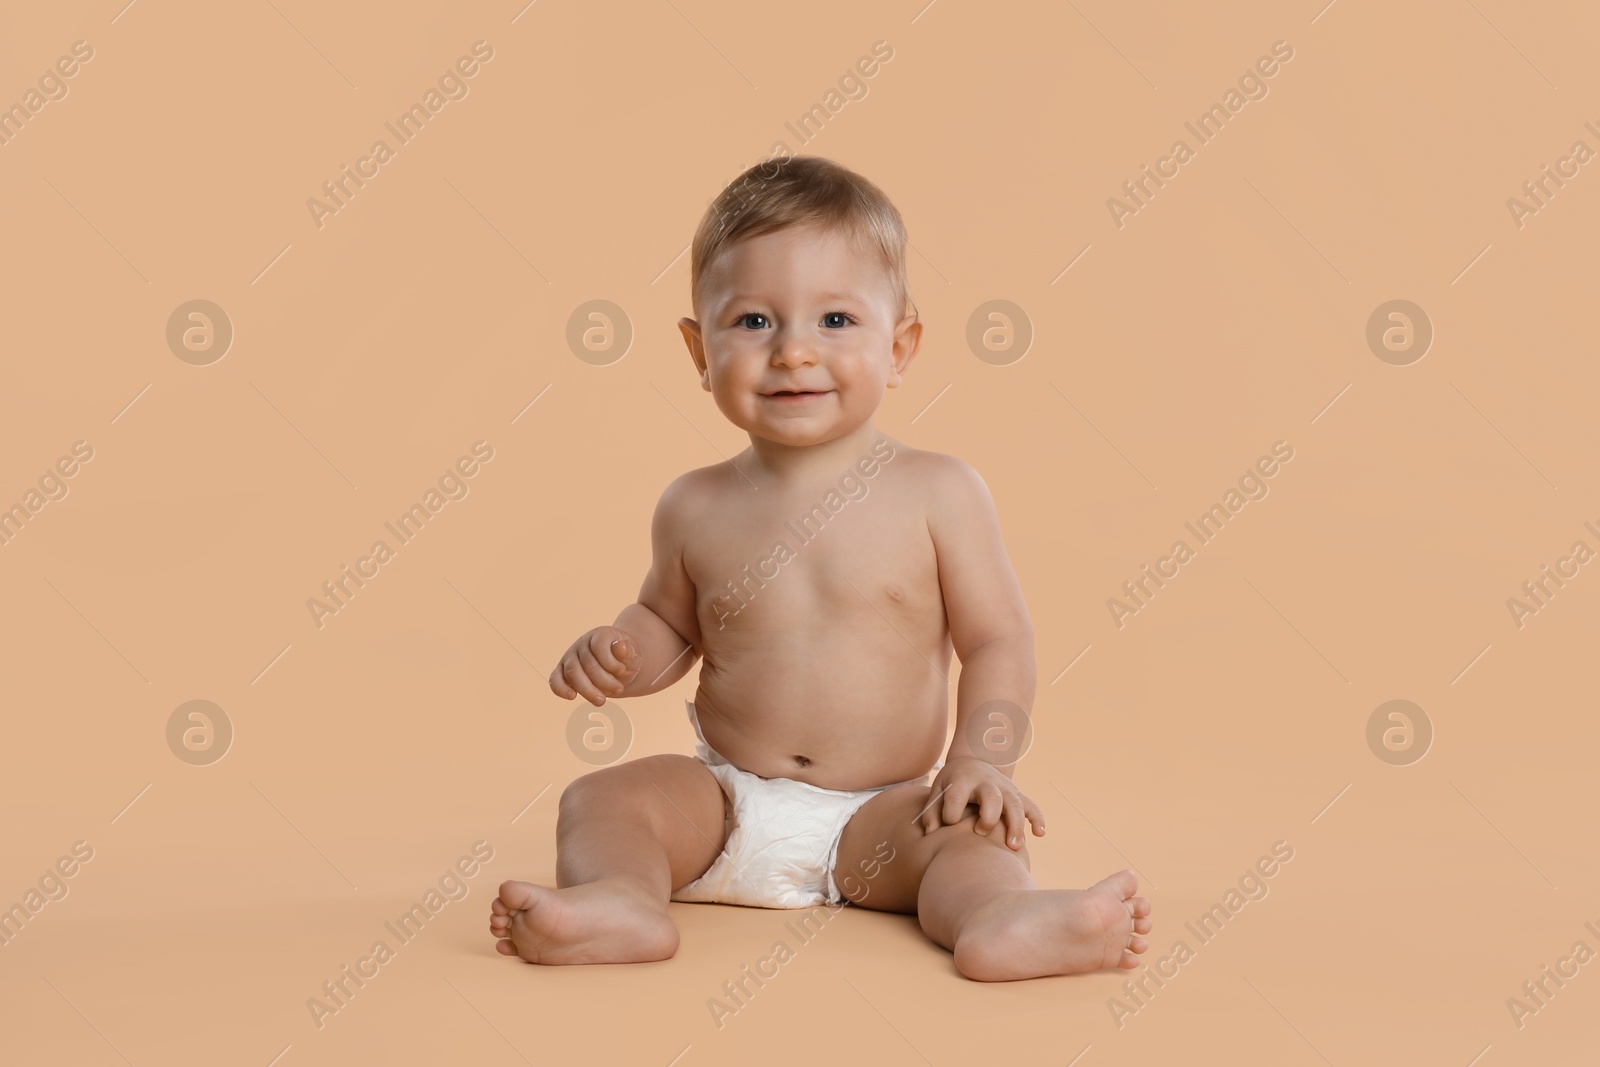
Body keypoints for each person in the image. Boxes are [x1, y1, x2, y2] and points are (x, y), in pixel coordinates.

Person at [489, 156, 1151, 980]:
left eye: (835, 321)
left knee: (971, 837)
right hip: (724, 801)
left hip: (882, 814)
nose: (795, 353)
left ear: (901, 344)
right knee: (602, 799)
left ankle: (999, 918)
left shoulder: (938, 492)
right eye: (755, 322)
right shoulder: (693, 505)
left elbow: (999, 640)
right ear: (698, 350)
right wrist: (621, 655)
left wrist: (982, 764)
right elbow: (668, 624)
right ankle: (621, 901)